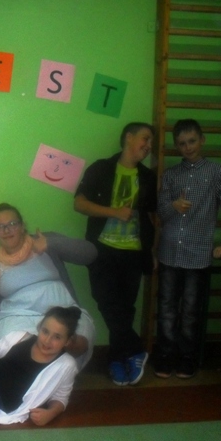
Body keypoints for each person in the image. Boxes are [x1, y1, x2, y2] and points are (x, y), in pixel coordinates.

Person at [154, 119, 221, 379]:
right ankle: (165, 357)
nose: (188, 147)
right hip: (169, 252)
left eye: (192, 141)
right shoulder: (171, 174)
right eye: (182, 143)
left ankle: (187, 359)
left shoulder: (216, 172)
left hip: (198, 254)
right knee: (166, 308)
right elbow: (160, 211)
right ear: (176, 146)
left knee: (191, 311)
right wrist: (173, 206)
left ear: (202, 140)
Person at [73, 122, 157, 386]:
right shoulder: (101, 168)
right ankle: (136, 349)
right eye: (145, 138)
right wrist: (114, 212)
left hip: (134, 253)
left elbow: (152, 217)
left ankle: (117, 360)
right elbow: (79, 204)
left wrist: (152, 251)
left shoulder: (148, 177)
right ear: (128, 138)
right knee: (106, 301)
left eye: (151, 142)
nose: (149, 146)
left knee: (124, 310)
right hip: (102, 250)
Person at [0, 203, 97, 368]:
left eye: (12, 224)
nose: (7, 230)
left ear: (22, 226)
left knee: (79, 342)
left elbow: (90, 254)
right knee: (16, 345)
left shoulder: (45, 241)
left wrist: (51, 244)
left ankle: (58, 366)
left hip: (63, 310)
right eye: (0, 227)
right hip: (18, 317)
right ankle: (36, 374)